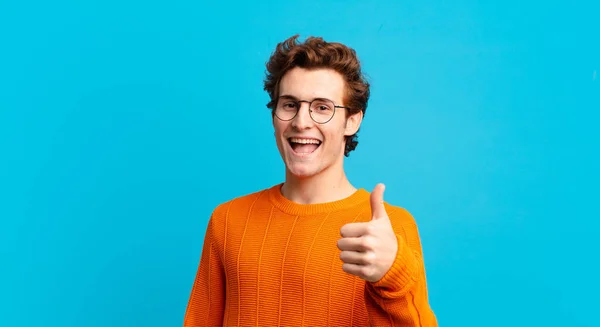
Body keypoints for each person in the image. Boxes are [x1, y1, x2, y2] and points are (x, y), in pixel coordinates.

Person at [183, 35, 437, 326]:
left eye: (322, 107)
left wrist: (392, 276)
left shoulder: (390, 229)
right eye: (290, 105)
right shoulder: (227, 220)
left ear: (352, 120)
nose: (301, 121)